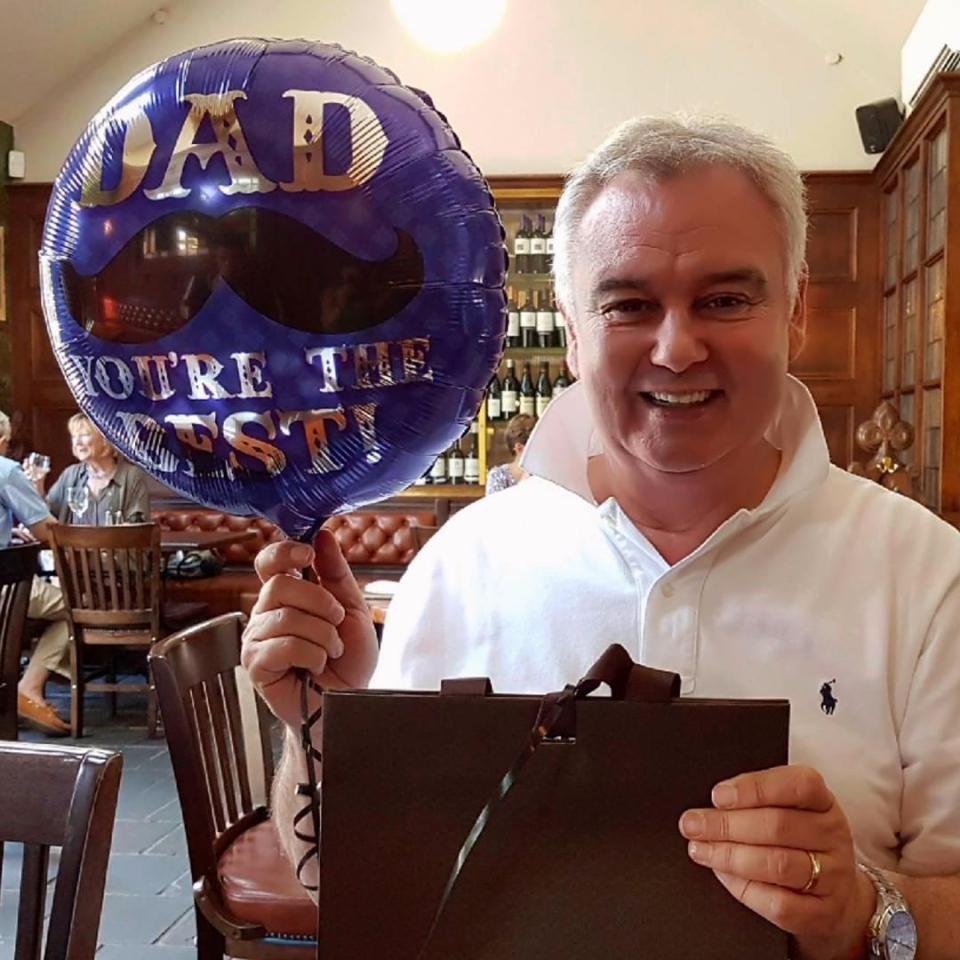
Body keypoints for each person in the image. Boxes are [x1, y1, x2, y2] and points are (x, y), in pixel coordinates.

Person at [241, 116, 960, 958]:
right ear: (573, 330)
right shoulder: (461, 567)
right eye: (629, 304)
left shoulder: (927, 577)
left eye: (726, 300)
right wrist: (321, 723)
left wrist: (864, 912)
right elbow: (341, 877)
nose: (678, 347)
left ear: (796, 310)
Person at [17, 413, 151, 729]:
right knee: (73, 608)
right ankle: (32, 685)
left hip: (119, 583)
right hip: (76, 582)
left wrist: (93, 548)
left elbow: (137, 535)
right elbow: (45, 519)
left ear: (105, 440)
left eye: (84, 435)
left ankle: (34, 683)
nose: (77, 442)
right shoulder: (71, 476)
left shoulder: (131, 478)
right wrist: (36, 486)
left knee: (72, 607)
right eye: (74, 436)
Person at [0, 410, 70, 735]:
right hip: (4, 590)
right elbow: (47, 531)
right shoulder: (5, 469)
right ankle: (28, 687)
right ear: (3, 441)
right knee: (79, 610)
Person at [484, 413, 534, 495]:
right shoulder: (498, 476)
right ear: (519, 448)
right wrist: (523, 485)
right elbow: (494, 507)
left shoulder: (546, 476)